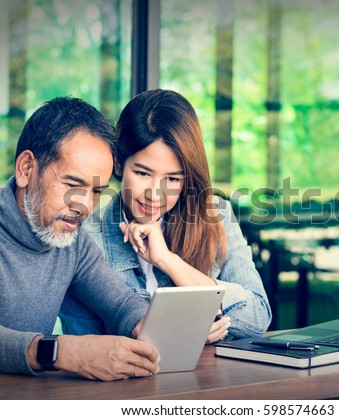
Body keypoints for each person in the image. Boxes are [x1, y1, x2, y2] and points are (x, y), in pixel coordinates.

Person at [0, 97, 159, 381]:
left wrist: (148, 324)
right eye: (73, 185)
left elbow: (122, 304)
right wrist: (62, 352)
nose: (84, 206)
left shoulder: (73, 242)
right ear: (26, 169)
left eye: (97, 192)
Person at [59, 89, 272, 342]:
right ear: (118, 164)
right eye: (143, 173)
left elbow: (258, 318)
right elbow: (87, 346)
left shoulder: (216, 215)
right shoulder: (84, 239)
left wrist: (167, 261)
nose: (155, 194)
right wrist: (181, 335)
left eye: (172, 178)